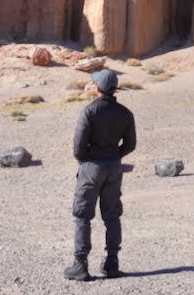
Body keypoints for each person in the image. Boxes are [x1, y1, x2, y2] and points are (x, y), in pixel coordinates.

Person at [64, 68, 136, 281]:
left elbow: (78, 146)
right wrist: (114, 156)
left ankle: (80, 264)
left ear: (97, 88)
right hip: (113, 167)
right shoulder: (125, 113)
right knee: (112, 215)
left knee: (82, 215)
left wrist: (87, 160)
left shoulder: (90, 111)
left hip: (91, 167)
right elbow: (130, 144)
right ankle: (112, 263)